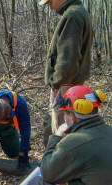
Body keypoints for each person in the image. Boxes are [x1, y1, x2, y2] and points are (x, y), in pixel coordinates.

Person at [27, 85, 112, 185]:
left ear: (72, 117)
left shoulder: (74, 142)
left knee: (39, 182)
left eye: (64, 113)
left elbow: (46, 172)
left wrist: (57, 136)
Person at [39, 0, 93, 145]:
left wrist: (57, 85)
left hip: (66, 86)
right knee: (52, 126)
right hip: (69, 84)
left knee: (61, 134)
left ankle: (59, 165)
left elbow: (68, 57)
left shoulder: (73, 15)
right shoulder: (77, 12)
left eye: (50, 2)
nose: (49, 6)